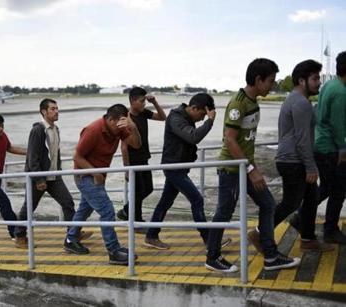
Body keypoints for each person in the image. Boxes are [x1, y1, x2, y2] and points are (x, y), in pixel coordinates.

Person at [205, 58, 300, 273]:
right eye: (271, 81)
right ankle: (212, 257)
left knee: (267, 204)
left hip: (245, 167)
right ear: (258, 80)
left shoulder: (253, 102)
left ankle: (271, 256)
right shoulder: (238, 104)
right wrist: (251, 169)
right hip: (232, 169)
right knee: (224, 212)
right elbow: (230, 140)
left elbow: (246, 141)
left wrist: (252, 167)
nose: (273, 86)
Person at [144, 93, 231, 249]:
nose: (203, 118)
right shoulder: (176, 118)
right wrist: (210, 121)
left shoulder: (186, 118)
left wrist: (208, 120)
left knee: (165, 202)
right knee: (197, 199)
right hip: (173, 168)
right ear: (193, 108)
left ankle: (151, 235)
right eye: (203, 114)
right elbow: (193, 137)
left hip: (178, 168)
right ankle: (209, 240)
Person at [63, 104, 141, 265]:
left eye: (124, 122)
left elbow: (136, 144)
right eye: (119, 122)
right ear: (111, 120)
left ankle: (70, 240)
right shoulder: (93, 130)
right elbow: (77, 157)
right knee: (107, 211)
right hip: (85, 176)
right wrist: (95, 172)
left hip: (97, 177)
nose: (121, 127)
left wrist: (134, 127)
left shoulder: (118, 128)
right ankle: (113, 251)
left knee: (84, 210)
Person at [14, 98, 92, 249]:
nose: (57, 111)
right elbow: (33, 157)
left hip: (54, 177)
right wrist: (38, 179)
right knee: (29, 206)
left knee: (68, 202)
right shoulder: (38, 130)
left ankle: (73, 233)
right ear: (44, 112)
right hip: (38, 177)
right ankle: (19, 235)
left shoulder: (55, 129)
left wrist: (58, 171)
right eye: (53, 109)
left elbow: (55, 154)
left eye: (57, 108)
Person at [273, 60, 333, 252]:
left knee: (310, 199)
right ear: (301, 80)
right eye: (315, 78)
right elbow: (302, 139)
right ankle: (260, 232)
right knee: (290, 203)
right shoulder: (300, 102)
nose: (318, 83)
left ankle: (308, 239)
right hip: (293, 161)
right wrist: (311, 167)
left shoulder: (296, 100)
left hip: (292, 159)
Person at [308, 51, 346, 244]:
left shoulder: (330, 84)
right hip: (328, 147)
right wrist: (342, 149)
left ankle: (302, 218)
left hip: (319, 142)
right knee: (338, 189)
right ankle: (328, 229)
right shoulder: (341, 91)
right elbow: (338, 125)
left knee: (328, 187)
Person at [117, 87, 166, 227]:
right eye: (142, 101)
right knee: (138, 191)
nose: (144, 103)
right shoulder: (126, 119)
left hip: (144, 158)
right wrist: (126, 169)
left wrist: (155, 102)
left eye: (145, 101)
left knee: (148, 188)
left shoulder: (143, 113)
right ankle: (136, 221)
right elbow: (124, 146)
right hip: (133, 161)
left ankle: (126, 211)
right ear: (133, 101)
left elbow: (163, 118)